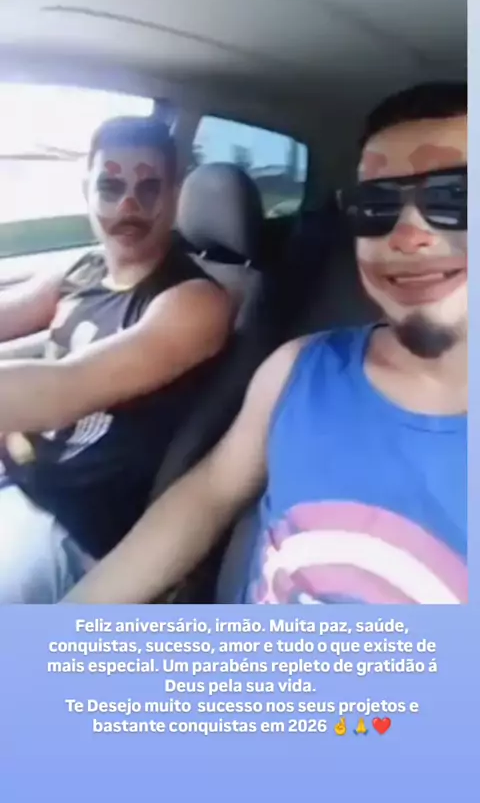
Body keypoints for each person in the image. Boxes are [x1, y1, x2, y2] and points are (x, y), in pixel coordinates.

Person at [65, 81, 468, 606]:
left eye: (455, 196)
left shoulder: (192, 301)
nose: (408, 235)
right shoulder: (297, 369)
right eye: (375, 204)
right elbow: (206, 498)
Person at [0, 115, 232, 602]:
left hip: (67, 524)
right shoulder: (83, 267)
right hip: (17, 474)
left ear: (175, 196)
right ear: (87, 191)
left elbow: (64, 389)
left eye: (149, 188)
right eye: (110, 186)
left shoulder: (195, 302)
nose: (128, 205)